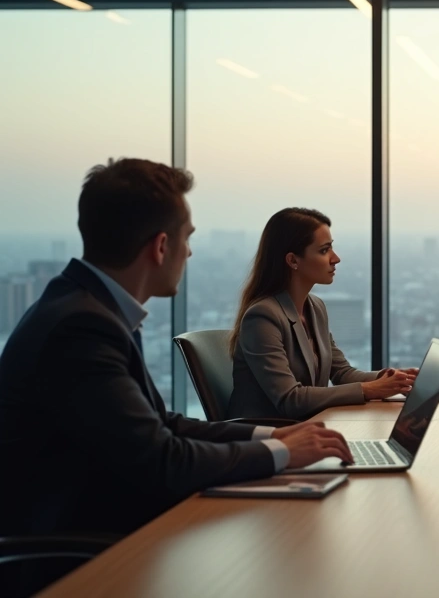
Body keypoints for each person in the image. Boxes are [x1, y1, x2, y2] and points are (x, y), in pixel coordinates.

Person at [0, 159, 353, 539]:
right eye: (187, 238)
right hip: (77, 551)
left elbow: (162, 424)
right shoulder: (83, 328)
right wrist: (280, 454)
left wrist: (271, 438)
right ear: (162, 246)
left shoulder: (87, 307)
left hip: (108, 523)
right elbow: (162, 460)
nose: (189, 253)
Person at [228, 208, 416, 421]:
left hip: (307, 428)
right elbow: (290, 399)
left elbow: (342, 373)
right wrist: (371, 389)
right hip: (267, 440)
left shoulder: (315, 308)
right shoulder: (262, 317)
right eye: (324, 250)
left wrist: (390, 379)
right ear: (292, 260)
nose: (335, 258)